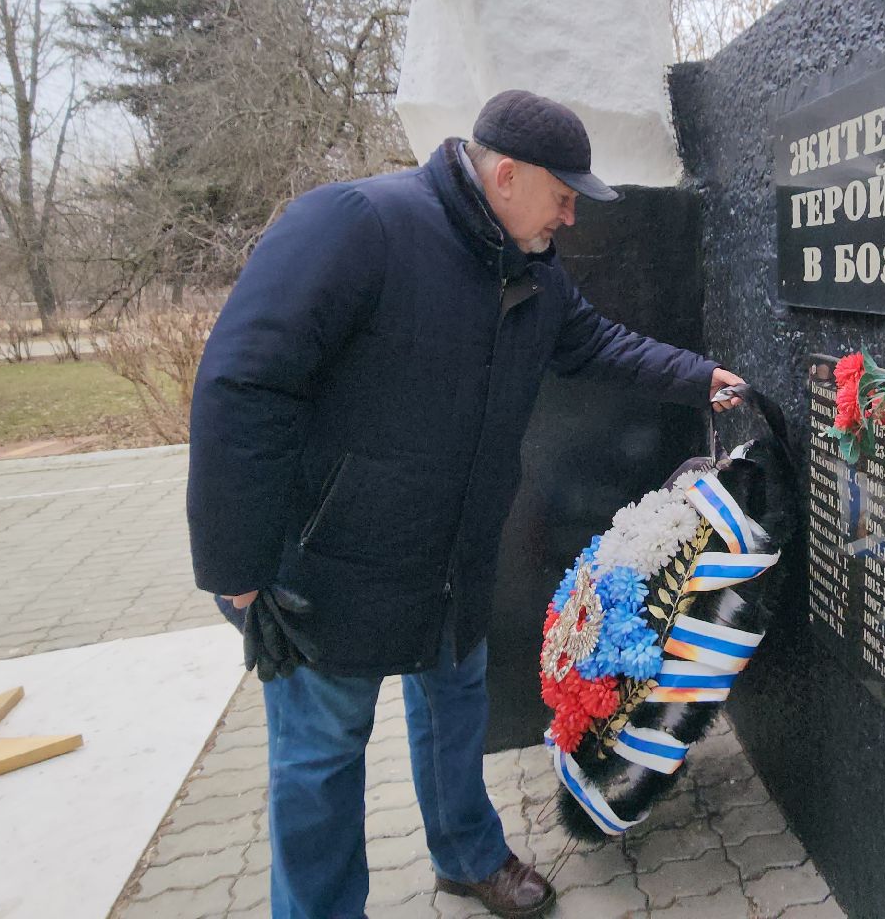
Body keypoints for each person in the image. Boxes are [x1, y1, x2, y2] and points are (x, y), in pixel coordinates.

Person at [187, 89, 745, 919]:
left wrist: (700, 377)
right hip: (334, 569)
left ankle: (467, 855)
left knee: (454, 715)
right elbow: (241, 387)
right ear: (509, 175)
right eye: (563, 195)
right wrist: (234, 568)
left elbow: (596, 345)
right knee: (320, 757)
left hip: (454, 558)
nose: (569, 216)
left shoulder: (532, 271)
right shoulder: (354, 225)